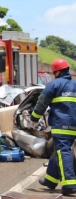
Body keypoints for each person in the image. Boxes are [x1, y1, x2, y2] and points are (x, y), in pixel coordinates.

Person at [31, 59, 76, 196]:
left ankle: (69, 184)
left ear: (57, 71)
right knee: (58, 150)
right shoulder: (75, 84)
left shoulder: (54, 85)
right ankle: (50, 179)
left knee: (63, 152)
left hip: (61, 125)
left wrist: (33, 119)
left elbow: (42, 103)